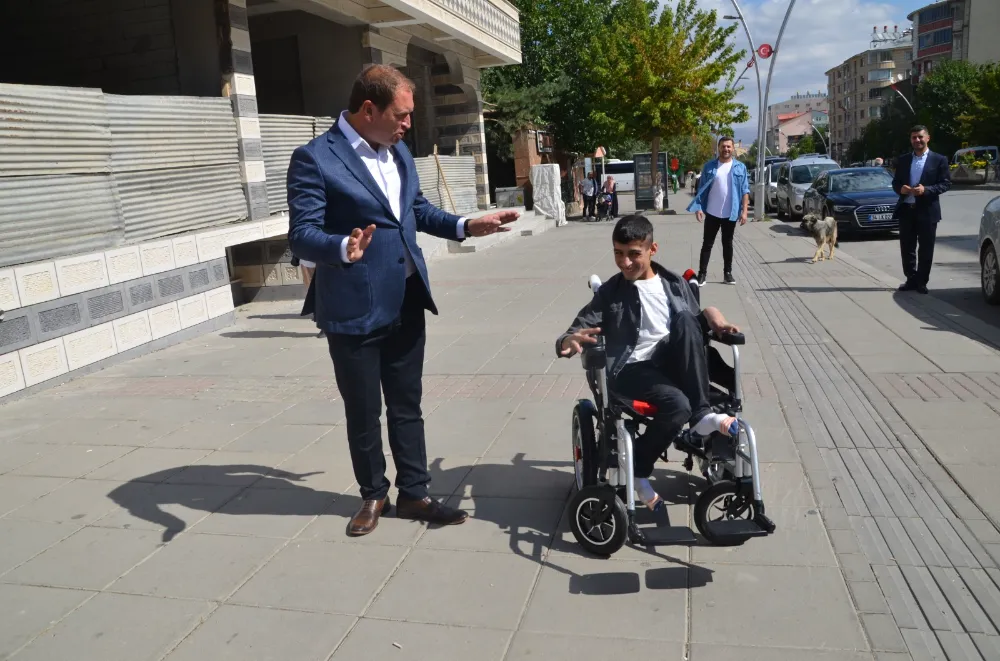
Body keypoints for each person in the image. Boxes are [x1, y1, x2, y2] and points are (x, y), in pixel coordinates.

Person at [287, 64, 519, 537]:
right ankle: (373, 494)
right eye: (402, 114)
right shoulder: (315, 158)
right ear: (368, 109)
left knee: (407, 404)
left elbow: (416, 211)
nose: (409, 124)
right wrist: (341, 247)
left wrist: (465, 225)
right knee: (363, 410)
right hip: (353, 307)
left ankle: (415, 494)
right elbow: (301, 232)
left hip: (406, 300)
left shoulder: (400, 153)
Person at [555, 215, 742, 510]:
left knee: (685, 319)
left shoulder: (674, 283)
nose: (625, 262)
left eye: (633, 253)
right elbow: (578, 326)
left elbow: (695, 322)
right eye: (618, 253)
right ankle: (640, 469)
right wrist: (567, 340)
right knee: (678, 405)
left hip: (673, 364)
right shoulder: (611, 293)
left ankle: (701, 415)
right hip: (632, 369)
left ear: (652, 249)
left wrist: (714, 316)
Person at [892, 125, 951, 294]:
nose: (917, 140)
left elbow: (945, 183)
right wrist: (900, 189)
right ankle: (911, 279)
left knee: (926, 248)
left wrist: (926, 190)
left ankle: (922, 282)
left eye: (920, 137)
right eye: (914, 137)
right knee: (907, 248)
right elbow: (895, 182)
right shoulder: (903, 160)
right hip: (907, 209)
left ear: (927, 138)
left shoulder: (938, 159)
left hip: (927, 211)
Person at [687, 137, 750, 286]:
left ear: (732, 148)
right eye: (723, 146)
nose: (726, 149)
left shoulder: (740, 167)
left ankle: (727, 273)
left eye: (728, 146)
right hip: (712, 212)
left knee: (727, 244)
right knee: (707, 244)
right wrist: (698, 208)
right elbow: (701, 189)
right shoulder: (709, 166)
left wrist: (745, 211)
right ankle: (702, 274)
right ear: (719, 148)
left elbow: (745, 190)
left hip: (731, 213)